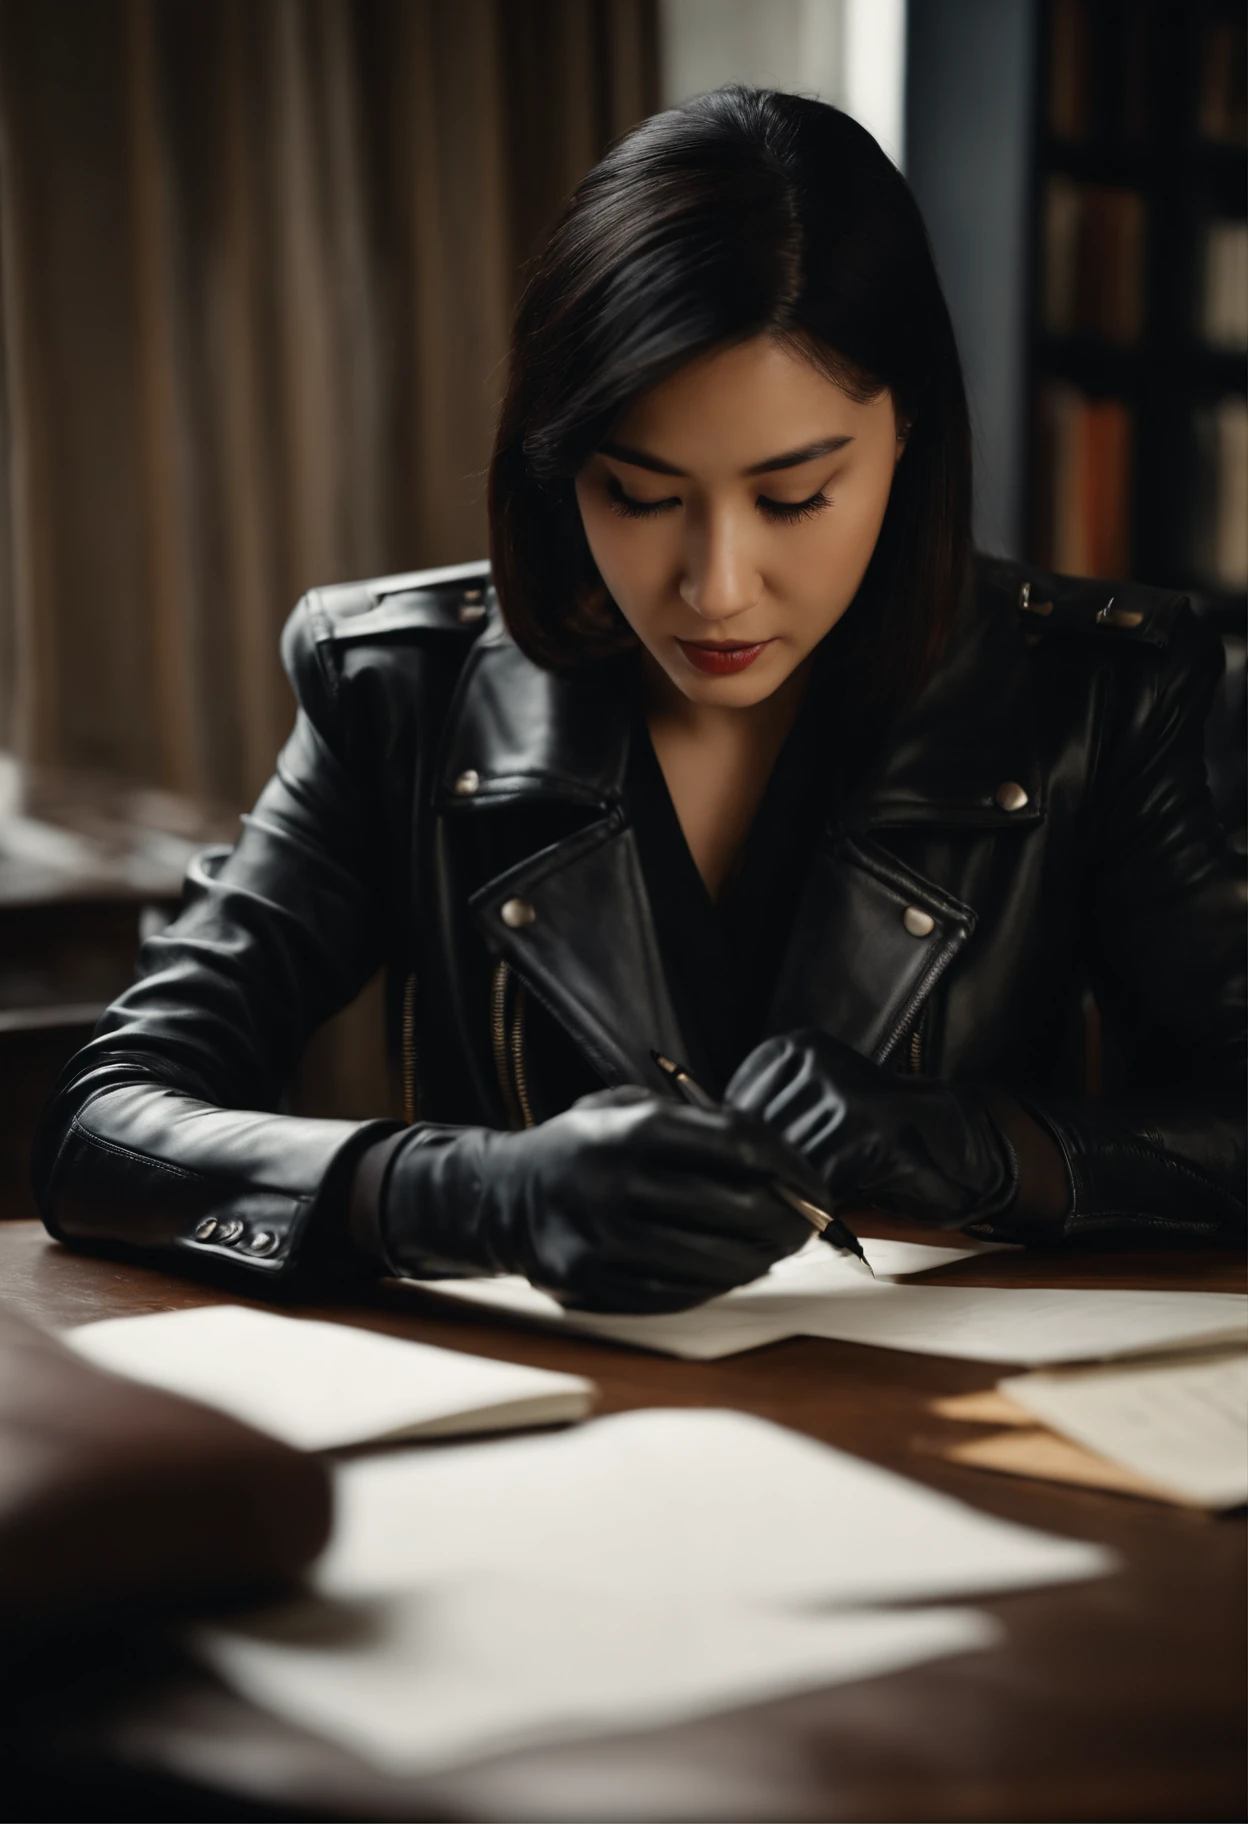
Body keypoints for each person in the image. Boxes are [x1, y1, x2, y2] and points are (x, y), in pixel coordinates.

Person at [32, 88, 1245, 1313]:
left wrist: (984, 1149)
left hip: (952, 1444)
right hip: (546, 1450)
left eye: (793, 498)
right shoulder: (398, 693)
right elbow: (105, 1127)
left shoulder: (1098, 698)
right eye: (640, 494)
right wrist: (475, 1194)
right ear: (561, 467)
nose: (715, 589)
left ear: (908, 431)